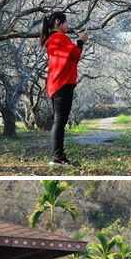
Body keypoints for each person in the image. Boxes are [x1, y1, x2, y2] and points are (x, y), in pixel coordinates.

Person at [41, 11, 88, 165]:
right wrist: (80, 41)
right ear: (57, 22)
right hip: (62, 84)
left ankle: (58, 156)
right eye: (66, 23)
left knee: (59, 121)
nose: (68, 26)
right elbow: (75, 54)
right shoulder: (59, 37)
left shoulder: (51, 39)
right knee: (60, 121)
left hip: (55, 84)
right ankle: (57, 157)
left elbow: (69, 58)